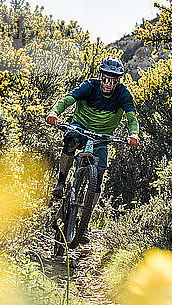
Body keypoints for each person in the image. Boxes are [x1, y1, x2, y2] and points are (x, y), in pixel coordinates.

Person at [46, 56, 139, 244]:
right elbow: (67, 100)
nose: (108, 83)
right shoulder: (89, 86)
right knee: (71, 141)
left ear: (118, 81)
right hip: (80, 127)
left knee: (99, 175)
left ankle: (85, 223)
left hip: (102, 138)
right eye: (105, 78)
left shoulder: (123, 94)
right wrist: (55, 112)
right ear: (100, 76)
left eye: (113, 80)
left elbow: (131, 118)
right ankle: (61, 182)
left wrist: (134, 134)